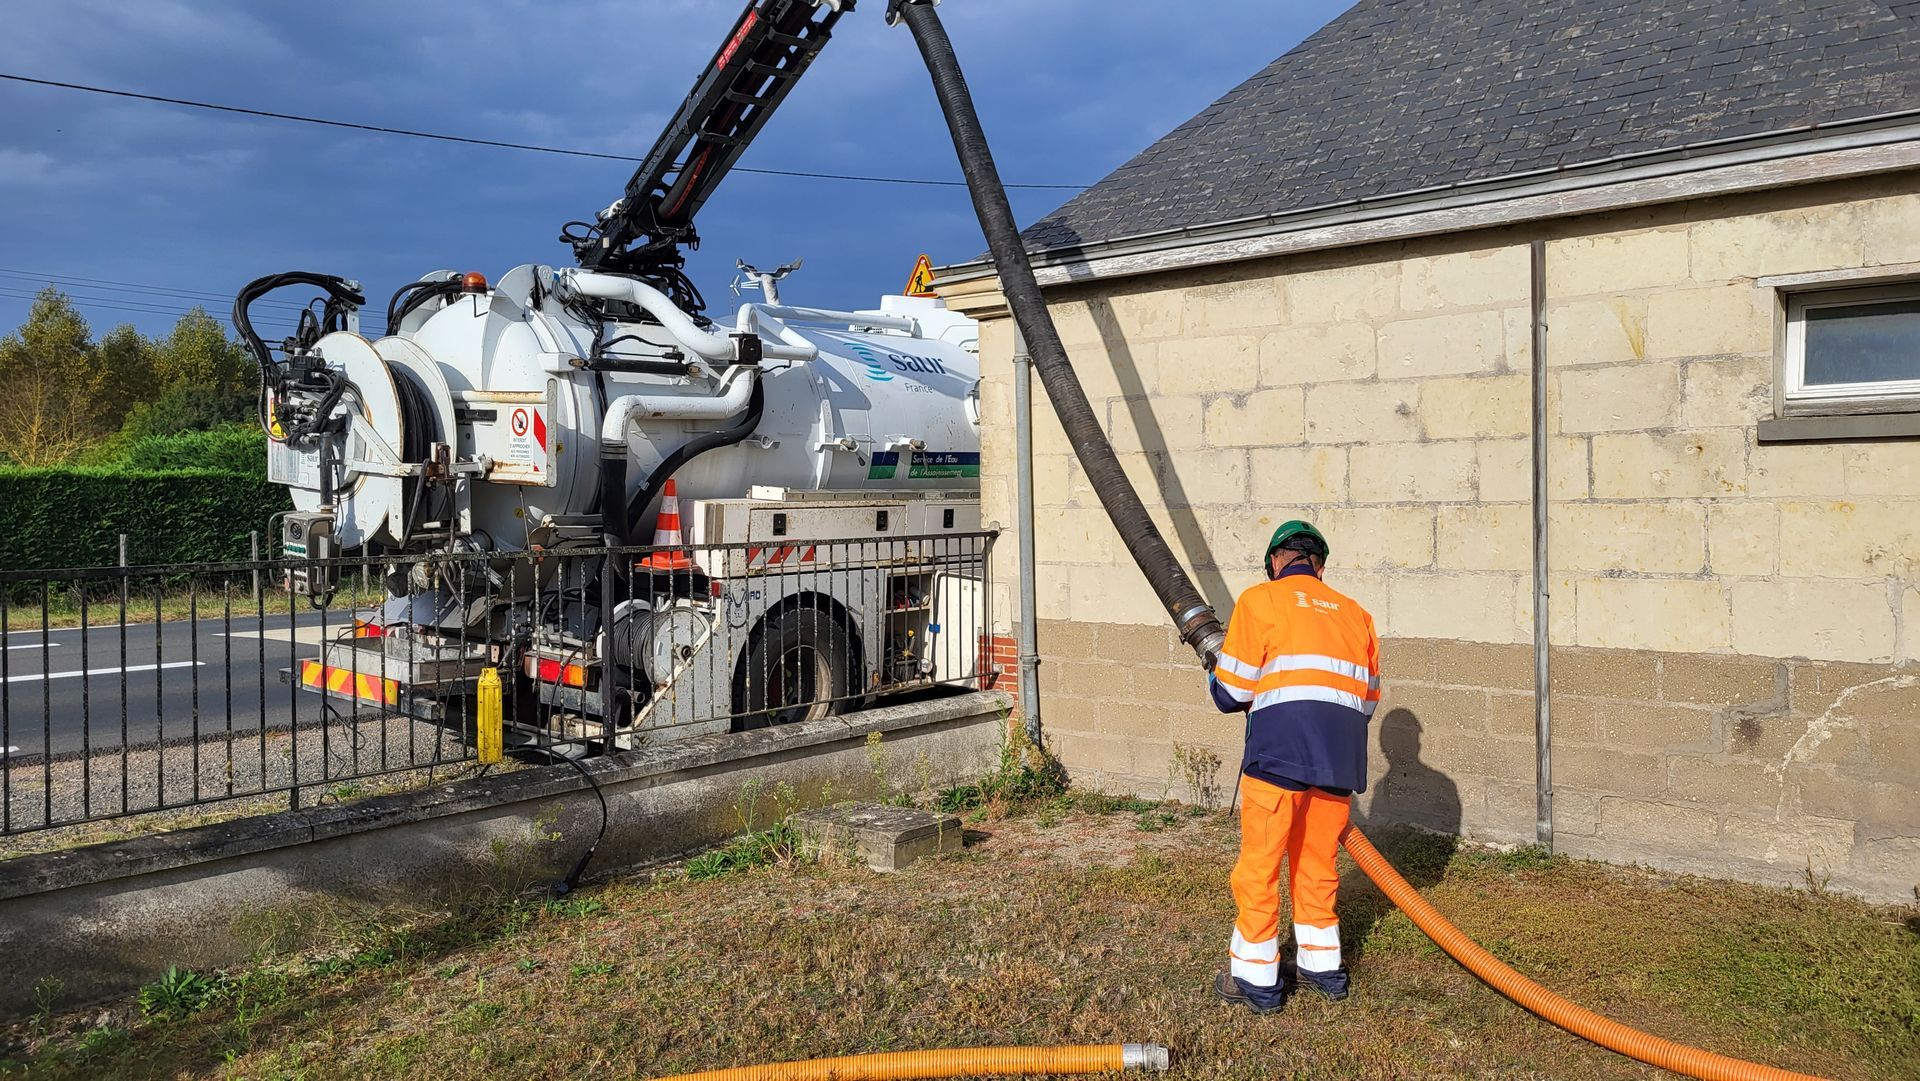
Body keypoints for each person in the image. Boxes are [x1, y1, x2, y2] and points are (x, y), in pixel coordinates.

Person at [1207, 520, 1380, 1013]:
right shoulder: (1357, 615)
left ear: (1276, 561)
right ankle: (1323, 970)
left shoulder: (1260, 601)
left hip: (1278, 758)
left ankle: (1258, 980)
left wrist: (1219, 680)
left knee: (1260, 866)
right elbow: (1365, 703)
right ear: (1319, 565)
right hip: (1338, 762)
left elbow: (1233, 693)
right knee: (1317, 865)